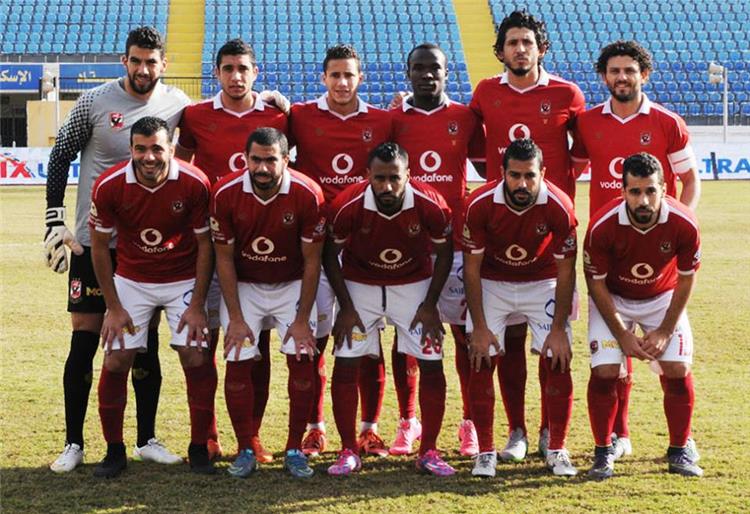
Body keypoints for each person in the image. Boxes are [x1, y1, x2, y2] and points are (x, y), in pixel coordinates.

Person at [45, 26, 189, 473]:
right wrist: (53, 219)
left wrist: (272, 101)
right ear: (124, 61)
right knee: (85, 340)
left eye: (151, 62)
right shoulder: (94, 100)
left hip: (144, 249)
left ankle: (146, 438)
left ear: (163, 64)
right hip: (93, 243)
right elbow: (60, 155)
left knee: (143, 344)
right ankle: (73, 443)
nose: (143, 69)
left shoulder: (179, 104)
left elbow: (218, 129)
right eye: (136, 60)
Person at [571, 40, 701, 460]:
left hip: (656, 255)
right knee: (613, 356)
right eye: (614, 71)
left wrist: (677, 222)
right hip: (609, 251)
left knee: (671, 361)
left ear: (644, 74)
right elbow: (568, 170)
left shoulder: (668, 122)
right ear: (603, 76)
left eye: (629, 70)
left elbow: (690, 179)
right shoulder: (587, 122)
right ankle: (618, 434)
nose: (622, 77)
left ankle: (680, 443)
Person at [468, 10, 586, 462]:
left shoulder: (566, 94)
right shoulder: (486, 92)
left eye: (527, 42)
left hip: (549, 239)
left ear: (541, 49)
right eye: (512, 42)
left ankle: (549, 431)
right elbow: (474, 148)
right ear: (500, 51)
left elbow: (583, 152)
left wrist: (554, 193)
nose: (520, 49)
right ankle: (515, 429)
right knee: (510, 343)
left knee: (554, 347)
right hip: (500, 238)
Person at [176, 38, 288, 463]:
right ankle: (206, 435)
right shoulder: (195, 116)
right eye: (228, 68)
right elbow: (181, 167)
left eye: (243, 68)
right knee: (204, 344)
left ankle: (251, 436)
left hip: (259, 250)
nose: (236, 76)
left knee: (255, 346)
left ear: (255, 72)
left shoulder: (277, 115)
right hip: (209, 247)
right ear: (216, 73)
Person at [88, 116, 213, 478]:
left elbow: (206, 244)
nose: (149, 157)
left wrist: (197, 305)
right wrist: (113, 307)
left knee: (194, 354)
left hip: (182, 278)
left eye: (157, 148)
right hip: (133, 280)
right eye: (140, 149)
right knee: (116, 359)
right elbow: (99, 247)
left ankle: (199, 447)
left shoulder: (194, 182)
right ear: (130, 149)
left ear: (171, 149)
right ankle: (114, 450)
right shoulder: (109, 185)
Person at [323, 142, 454, 476]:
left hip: (413, 285)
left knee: (432, 362)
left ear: (408, 174)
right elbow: (329, 256)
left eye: (395, 178)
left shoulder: (431, 203)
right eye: (379, 178)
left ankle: (428, 451)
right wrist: (346, 306)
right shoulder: (347, 205)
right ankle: (348, 450)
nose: (387, 186)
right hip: (360, 285)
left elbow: (445, 253)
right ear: (367, 175)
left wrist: (430, 305)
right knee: (347, 360)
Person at [289, 44, 393, 457]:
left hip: (364, 247)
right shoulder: (300, 116)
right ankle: (315, 428)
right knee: (313, 340)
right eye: (335, 75)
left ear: (360, 78)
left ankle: (370, 429)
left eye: (349, 75)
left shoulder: (383, 120)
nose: (342, 82)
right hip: (315, 247)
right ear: (324, 78)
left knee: (368, 339)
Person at [211, 127, 325, 479]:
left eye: (270, 160)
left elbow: (312, 261)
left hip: (292, 284)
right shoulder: (225, 193)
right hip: (245, 286)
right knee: (238, 359)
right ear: (245, 159)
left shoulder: (308, 193)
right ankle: (246, 447)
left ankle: (294, 449)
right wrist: (236, 317)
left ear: (286, 160)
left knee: (302, 359)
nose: (262, 168)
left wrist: (302, 319)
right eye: (255, 160)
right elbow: (224, 259)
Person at [388, 43, 485, 457]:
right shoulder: (392, 120)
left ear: (448, 73)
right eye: (419, 68)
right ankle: (408, 420)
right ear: (407, 72)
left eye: (435, 68)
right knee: (406, 336)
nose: (427, 75)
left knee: (464, 336)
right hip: (407, 246)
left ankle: (469, 423)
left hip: (457, 245)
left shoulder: (466, 118)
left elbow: (490, 170)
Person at [463, 138, 578, 478]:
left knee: (558, 358)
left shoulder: (559, 205)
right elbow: (471, 269)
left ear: (543, 173)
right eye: (515, 175)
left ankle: (556, 448)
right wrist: (479, 328)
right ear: (503, 173)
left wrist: (558, 330)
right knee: (481, 358)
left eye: (530, 175)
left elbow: (566, 271)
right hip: (493, 282)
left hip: (542, 282)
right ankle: (487, 452)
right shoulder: (480, 203)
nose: (522, 184)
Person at [583, 152, 702, 479]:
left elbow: (686, 279)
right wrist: (622, 334)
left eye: (650, 190)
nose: (643, 200)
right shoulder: (602, 226)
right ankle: (603, 451)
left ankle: (680, 448)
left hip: (662, 298)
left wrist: (665, 329)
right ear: (623, 191)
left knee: (677, 368)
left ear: (664, 189)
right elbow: (595, 283)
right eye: (635, 192)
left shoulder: (684, 223)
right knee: (605, 370)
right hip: (613, 298)